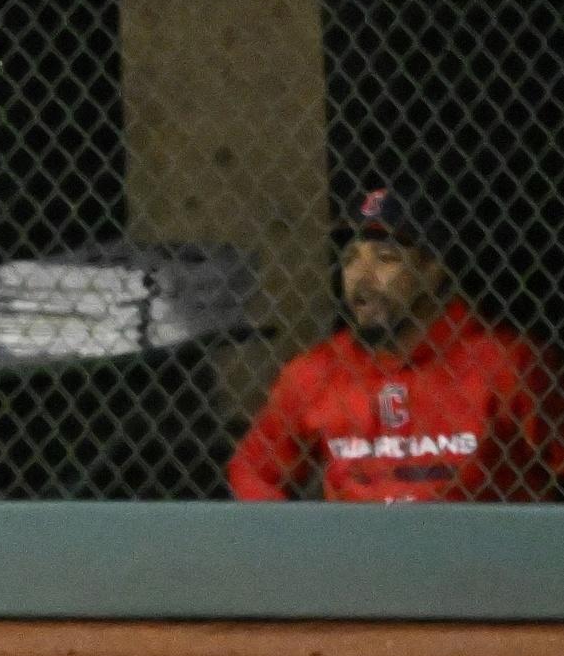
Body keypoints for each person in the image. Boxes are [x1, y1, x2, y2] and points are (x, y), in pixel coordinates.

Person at [228, 186, 564, 502]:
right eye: (350, 259)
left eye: (385, 258)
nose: (362, 275)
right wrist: (302, 547)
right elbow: (253, 470)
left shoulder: (504, 362)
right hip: (360, 557)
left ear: (435, 269)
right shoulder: (317, 370)